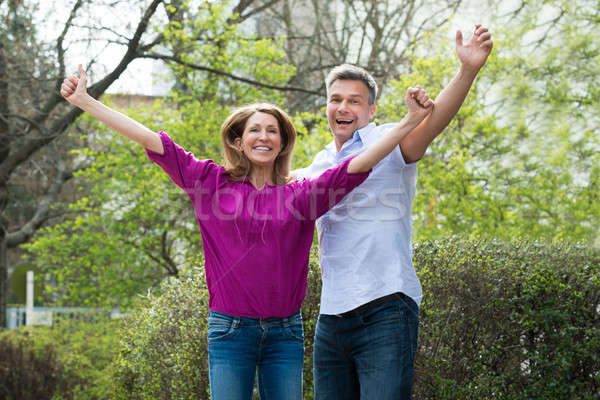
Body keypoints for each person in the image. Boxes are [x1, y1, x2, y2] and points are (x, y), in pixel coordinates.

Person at [60, 64, 434, 400]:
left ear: (282, 143)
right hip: (229, 332)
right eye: (254, 129)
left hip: (285, 336)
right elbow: (150, 138)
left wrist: (407, 122)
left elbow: (357, 166)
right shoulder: (209, 181)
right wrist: (86, 102)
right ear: (238, 141)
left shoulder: (301, 195)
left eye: (272, 131)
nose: (263, 136)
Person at [295, 25, 493, 399]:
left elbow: (431, 123)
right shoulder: (318, 165)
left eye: (355, 101)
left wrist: (466, 71)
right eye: (336, 99)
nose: (343, 107)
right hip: (331, 319)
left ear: (370, 109)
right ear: (326, 107)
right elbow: (266, 183)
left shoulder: (385, 140)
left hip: (385, 308)